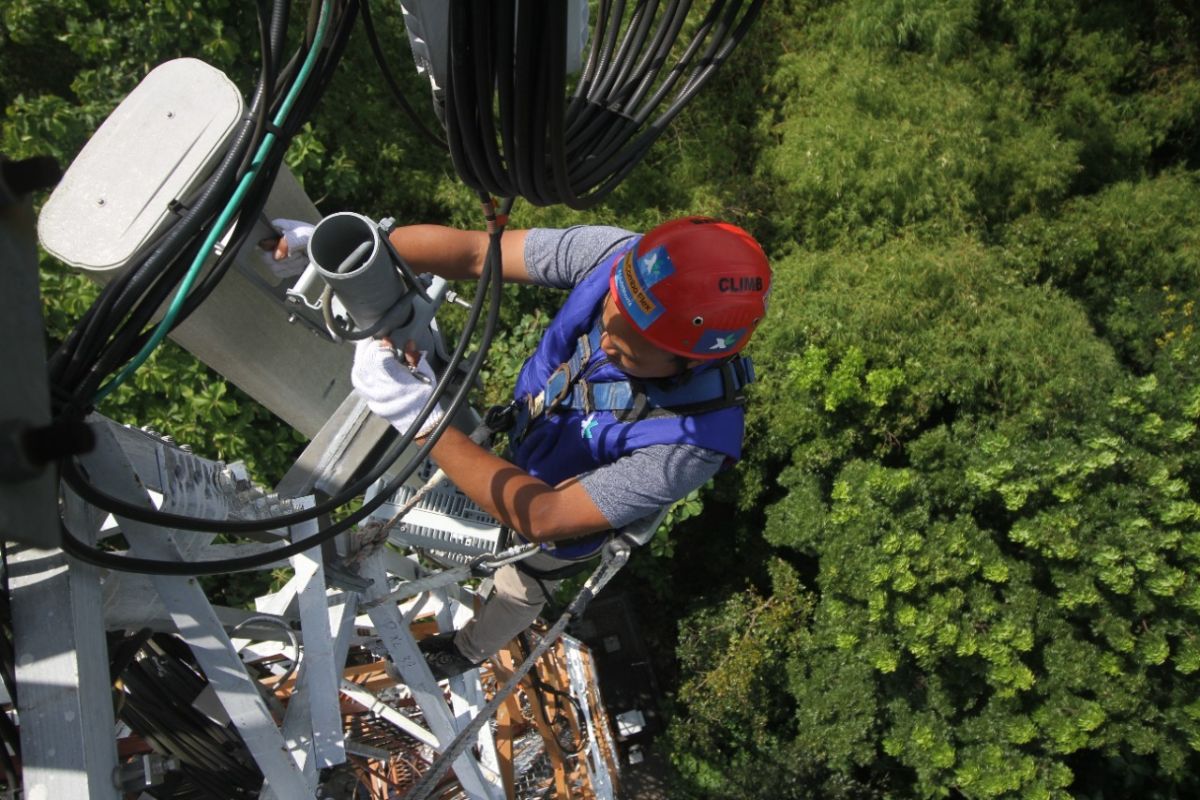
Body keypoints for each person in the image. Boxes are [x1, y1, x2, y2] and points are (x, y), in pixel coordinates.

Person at [272, 217, 772, 679]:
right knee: (487, 508)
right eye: (608, 312)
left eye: (626, 350)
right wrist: (360, 256)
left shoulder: (693, 443)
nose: (607, 334)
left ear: (688, 362)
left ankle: (467, 650)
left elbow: (547, 516)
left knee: (522, 583)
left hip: (555, 515)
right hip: (529, 440)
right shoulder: (620, 258)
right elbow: (475, 253)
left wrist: (417, 418)